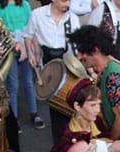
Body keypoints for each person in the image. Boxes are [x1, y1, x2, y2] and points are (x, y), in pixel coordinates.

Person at [24, 0, 81, 141]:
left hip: (67, 61)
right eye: (63, 0)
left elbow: (78, 44)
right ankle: (59, 141)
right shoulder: (37, 15)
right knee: (54, 103)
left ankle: (71, 137)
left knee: (70, 100)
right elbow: (28, 35)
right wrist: (31, 54)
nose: (67, 4)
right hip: (48, 62)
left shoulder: (72, 18)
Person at [0, 0, 45, 129]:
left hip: (26, 47)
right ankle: (13, 118)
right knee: (13, 85)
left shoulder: (25, 5)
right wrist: (13, 42)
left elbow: (32, 30)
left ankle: (34, 113)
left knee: (28, 82)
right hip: (9, 49)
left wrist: (36, 52)